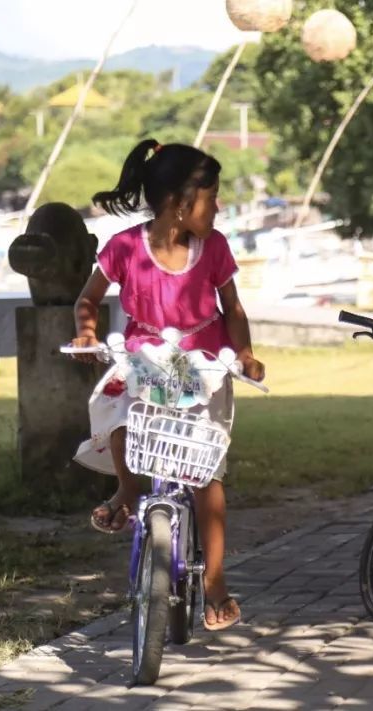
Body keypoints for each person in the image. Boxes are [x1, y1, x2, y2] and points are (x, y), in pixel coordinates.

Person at [70, 138, 264, 631]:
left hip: (203, 362)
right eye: (212, 196)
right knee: (119, 412)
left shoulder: (214, 248)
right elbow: (88, 299)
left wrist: (243, 353)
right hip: (146, 357)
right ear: (181, 202)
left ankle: (214, 581)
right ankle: (128, 490)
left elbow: (232, 309)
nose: (218, 207)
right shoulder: (125, 248)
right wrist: (88, 333)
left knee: (205, 471)